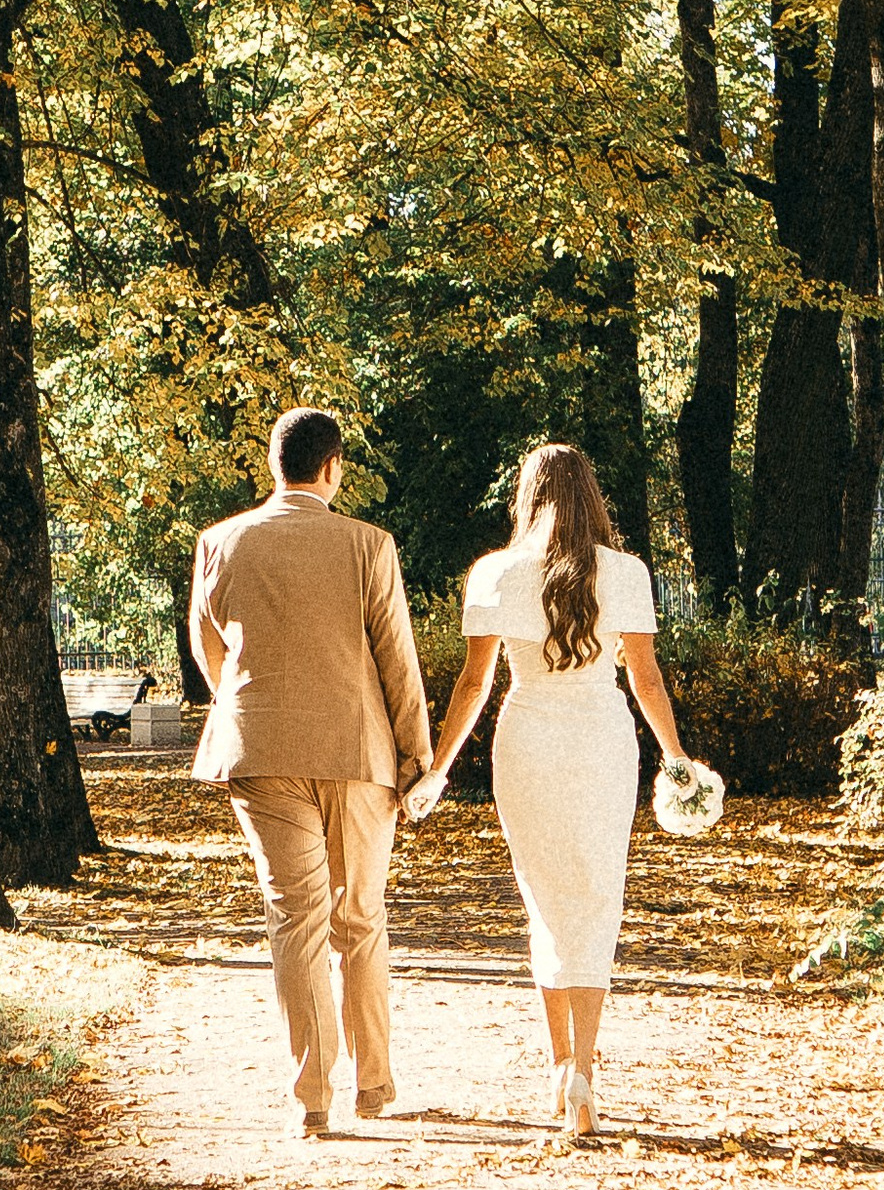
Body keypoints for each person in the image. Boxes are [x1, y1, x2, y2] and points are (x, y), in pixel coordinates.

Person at [408, 441, 692, 1139]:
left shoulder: (495, 573)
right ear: (591, 495)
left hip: (527, 739)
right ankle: (587, 1072)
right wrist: (676, 756)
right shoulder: (625, 573)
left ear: (525, 495)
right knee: (597, 896)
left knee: (543, 897)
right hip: (603, 740)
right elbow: (645, 679)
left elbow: (475, 685)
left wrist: (439, 768)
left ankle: (560, 1065)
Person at [191, 406, 432, 1137]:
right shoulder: (368, 544)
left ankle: (313, 1098)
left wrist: (246, 711)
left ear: (276, 465)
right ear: (333, 469)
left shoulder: (220, 543)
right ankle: (375, 1082)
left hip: (260, 751)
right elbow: (396, 655)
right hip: (359, 752)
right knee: (360, 917)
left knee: (295, 919)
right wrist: (417, 752)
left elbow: (211, 651)